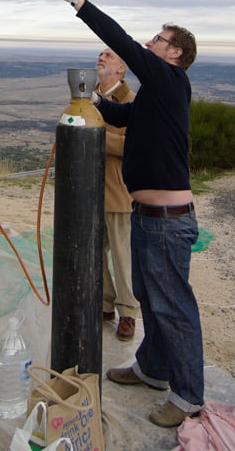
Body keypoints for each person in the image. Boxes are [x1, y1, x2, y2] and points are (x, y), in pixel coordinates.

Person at [40, 0, 203, 429]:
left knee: (174, 307)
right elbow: (120, 112)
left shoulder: (170, 80)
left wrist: (76, 0)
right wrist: (87, 100)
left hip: (169, 219)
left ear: (175, 52)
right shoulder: (155, 95)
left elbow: (123, 42)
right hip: (151, 215)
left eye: (159, 38)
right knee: (153, 301)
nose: (150, 43)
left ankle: (189, 396)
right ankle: (152, 368)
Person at [95, 47, 140, 341]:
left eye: (109, 56)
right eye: (100, 54)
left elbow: (132, 146)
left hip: (119, 191)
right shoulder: (87, 97)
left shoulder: (132, 102)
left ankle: (128, 313)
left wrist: (94, 135)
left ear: (121, 70)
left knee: (123, 256)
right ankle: (105, 302)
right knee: (93, 252)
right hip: (89, 190)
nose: (102, 57)